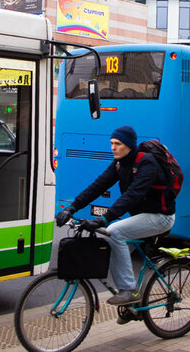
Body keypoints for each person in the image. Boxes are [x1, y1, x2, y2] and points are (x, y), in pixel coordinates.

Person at [54, 125, 175, 308]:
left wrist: (104, 219)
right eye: (111, 143)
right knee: (113, 238)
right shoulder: (120, 163)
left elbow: (132, 195)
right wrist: (71, 208)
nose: (113, 147)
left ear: (128, 145)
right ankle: (132, 307)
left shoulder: (147, 162)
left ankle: (129, 290)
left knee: (114, 232)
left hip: (160, 217)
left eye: (117, 143)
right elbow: (98, 185)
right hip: (142, 216)